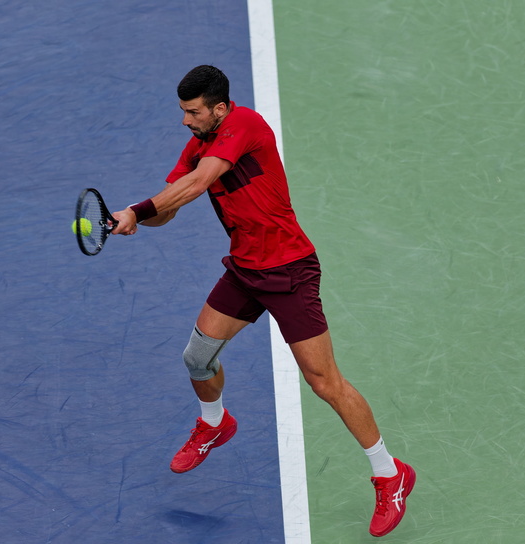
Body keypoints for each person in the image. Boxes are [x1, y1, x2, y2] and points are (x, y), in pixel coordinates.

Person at [110, 65, 414, 537]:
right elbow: (170, 203)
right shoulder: (195, 145)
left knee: (324, 382)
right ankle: (215, 422)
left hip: (290, 270)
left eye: (193, 113)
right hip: (246, 270)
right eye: (183, 112)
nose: (186, 122)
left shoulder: (245, 126)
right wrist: (131, 220)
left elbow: (195, 185)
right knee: (197, 357)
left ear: (220, 108)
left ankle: (390, 474)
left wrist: (138, 209)